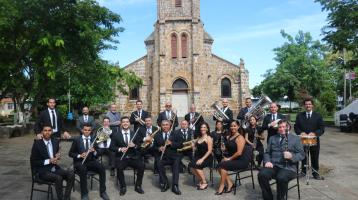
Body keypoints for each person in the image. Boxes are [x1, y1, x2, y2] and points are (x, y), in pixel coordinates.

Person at [258, 120, 305, 200]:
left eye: (284, 127)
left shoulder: (296, 139)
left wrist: (291, 156)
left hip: (288, 167)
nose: (282, 129)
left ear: (288, 127)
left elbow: (302, 155)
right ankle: (268, 197)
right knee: (262, 174)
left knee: (281, 177)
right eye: (280, 127)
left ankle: (280, 198)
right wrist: (267, 161)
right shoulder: (272, 138)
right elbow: (267, 153)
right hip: (274, 165)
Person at [30, 125, 74, 200]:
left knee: (71, 174)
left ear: (52, 132)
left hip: (54, 168)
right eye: (45, 130)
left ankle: (66, 197)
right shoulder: (37, 144)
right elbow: (34, 162)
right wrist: (49, 161)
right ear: (42, 132)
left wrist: (58, 156)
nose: (47, 132)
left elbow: (56, 155)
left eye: (49, 130)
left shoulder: (55, 142)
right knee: (58, 178)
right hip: (42, 171)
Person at [68, 124, 110, 200]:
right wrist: (79, 155)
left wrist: (94, 151)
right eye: (85, 130)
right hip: (79, 162)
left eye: (89, 130)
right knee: (83, 170)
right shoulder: (77, 140)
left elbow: (98, 153)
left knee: (102, 168)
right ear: (82, 130)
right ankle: (84, 194)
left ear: (91, 131)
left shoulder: (94, 140)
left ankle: (103, 192)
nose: (87, 132)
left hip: (91, 161)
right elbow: (70, 153)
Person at [110, 116, 145, 196]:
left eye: (127, 122)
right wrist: (120, 149)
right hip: (121, 157)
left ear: (129, 123)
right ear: (121, 124)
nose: (125, 123)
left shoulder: (135, 133)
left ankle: (138, 186)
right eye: (123, 122)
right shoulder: (116, 135)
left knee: (142, 166)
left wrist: (135, 145)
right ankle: (123, 187)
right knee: (119, 168)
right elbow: (111, 147)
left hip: (133, 157)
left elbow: (140, 145)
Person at [215, 120, 252, 195]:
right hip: (235, 159)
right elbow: (231, 148)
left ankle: (222, 186)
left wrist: (229, 159)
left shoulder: (240, 138)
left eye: (234, 126)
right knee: (219, 166)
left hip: (242, 161)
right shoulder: (231, 136)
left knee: (222, 166)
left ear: (238, 127)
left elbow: (239, 152)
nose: (232, 127)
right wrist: (224, 148)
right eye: (231, 126)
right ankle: (230, 183)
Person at [294, 98, 325, 180]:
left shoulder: (318, 116)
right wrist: (300, 133)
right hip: (303, 140)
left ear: (312, 105)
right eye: (306, 104)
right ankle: (303, 172)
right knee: (303, 156)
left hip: (314, 140)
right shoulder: (299, 116)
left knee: (315, 156)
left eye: (309, 104)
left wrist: (315, 133)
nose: (308, 105)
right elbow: (296, 127)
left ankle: (315, 173)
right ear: (304, 106)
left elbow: (322, 128)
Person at [153, 120, 184, 195]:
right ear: (161, 126)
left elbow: (181, 144)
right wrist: (158, 148)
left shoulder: (176, 133)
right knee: (158, 163)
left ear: (170, 125)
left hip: (173, 156)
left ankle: (175, 186)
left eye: (167, 125)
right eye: (163, 125)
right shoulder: (157, 135)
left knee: (176, 165)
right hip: (163, 156)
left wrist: (171, 143)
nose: (165, 126)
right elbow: (154, 147)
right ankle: (165, 183)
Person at [188, 122, 213, 190]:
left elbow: (209, 151)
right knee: (190, 165)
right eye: (201, 127)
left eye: (204, 127)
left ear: (207, 129)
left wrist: (202, 159)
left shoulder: (208, 138)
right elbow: (195, 146)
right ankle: (201, 179)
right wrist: (193, 145)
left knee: (197, 165)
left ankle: (204, 182)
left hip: (207, 157)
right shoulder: (199, 137)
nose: (202, 129)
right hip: (199, 156)